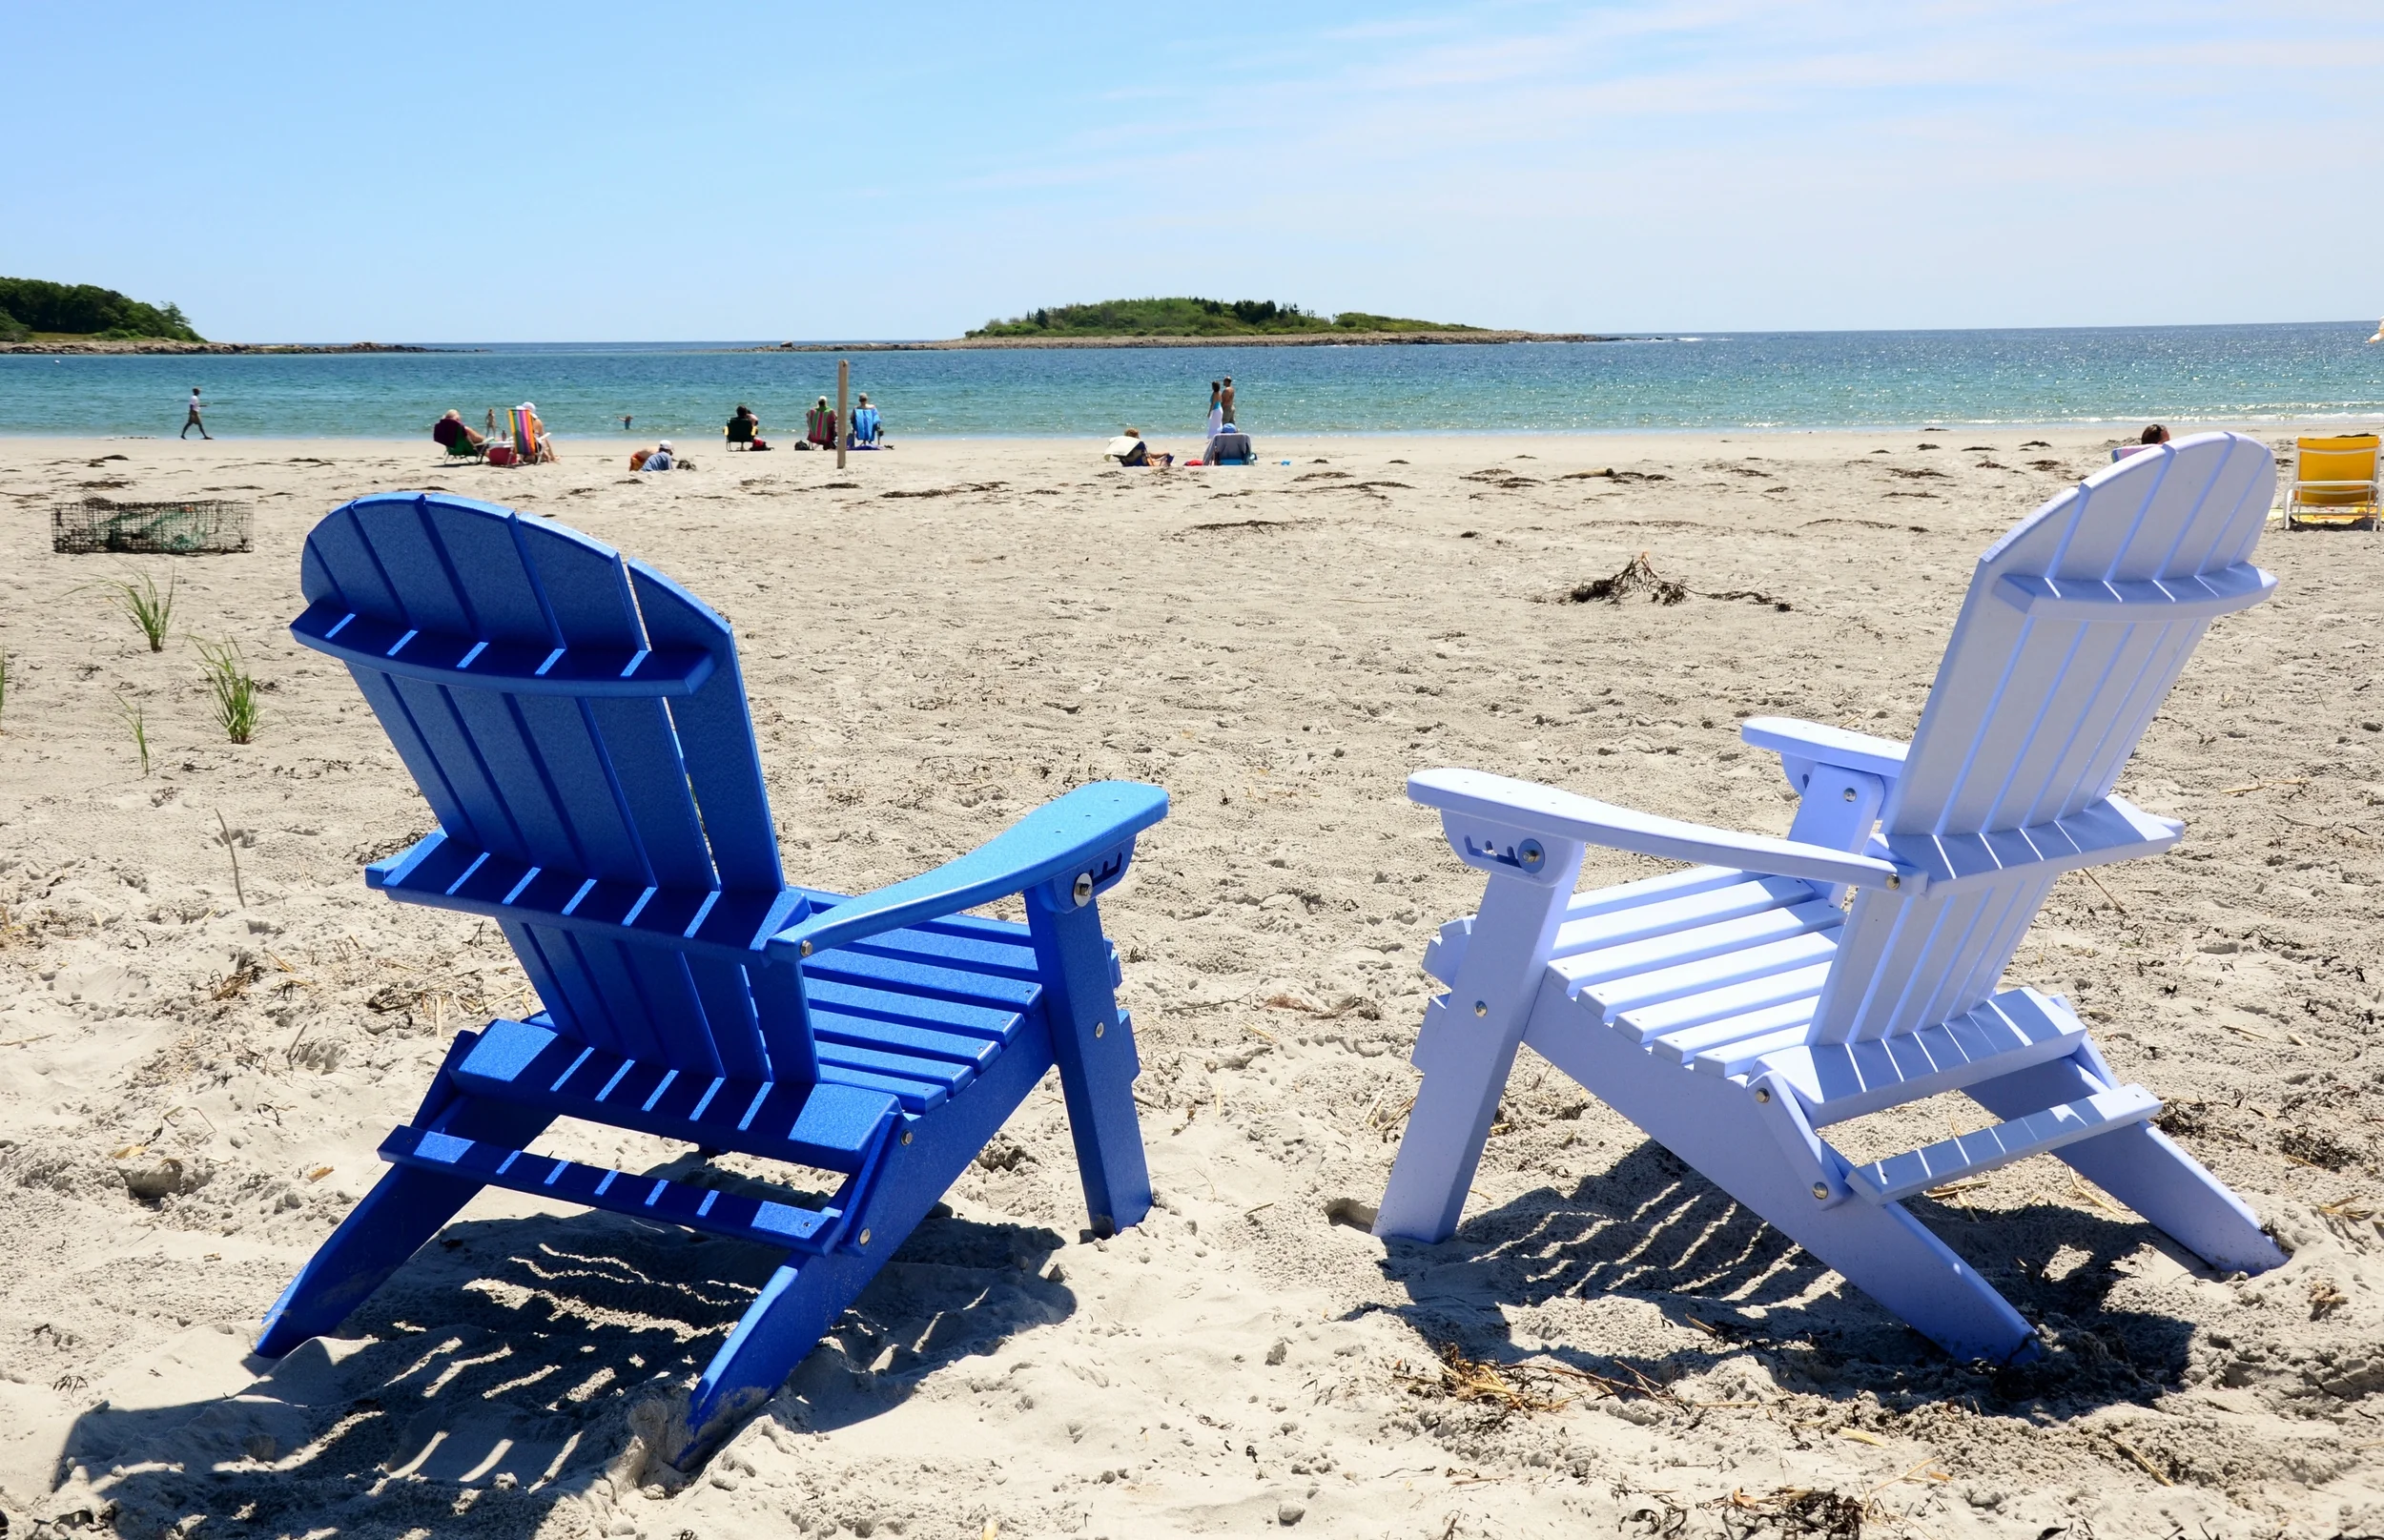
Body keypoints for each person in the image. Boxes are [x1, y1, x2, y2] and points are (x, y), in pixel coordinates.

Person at [1105, 427, 1173, 467]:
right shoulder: (1139, 444)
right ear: (1136, 436)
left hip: (1127, 464)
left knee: (1150, 456)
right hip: (1143, 464)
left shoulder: (1122, 447)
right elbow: (1148, 456)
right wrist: (1165, 453)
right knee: (1166, 456)